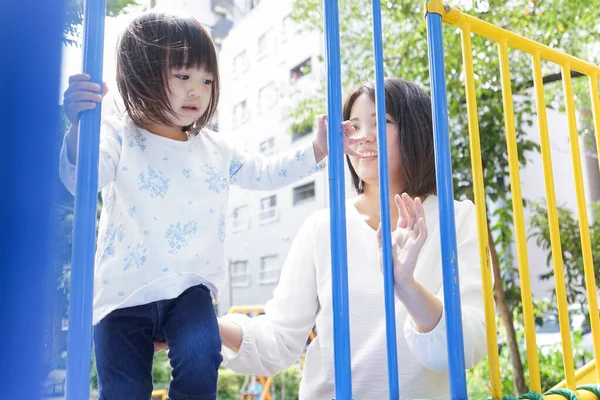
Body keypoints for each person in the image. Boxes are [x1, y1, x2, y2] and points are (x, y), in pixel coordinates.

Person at [59, 11, 360, 400]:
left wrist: (317, 149)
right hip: (123, 294)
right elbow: (82, 181)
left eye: (207, 80)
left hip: (189, 289)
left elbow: (264, 172)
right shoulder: (120, 136)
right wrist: (78, 128)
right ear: (145, 73)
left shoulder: (215, 148)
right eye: (183, 77)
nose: (197, 92)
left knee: (203, 357)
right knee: (124, 389)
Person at [216, 78, 488, 399]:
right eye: (353, 126)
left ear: (418, 130)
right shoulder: (324, 226)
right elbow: (280, 339)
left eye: (380, 122)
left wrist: (407, 287)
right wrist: (204, 325)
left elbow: (468, 345)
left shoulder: (456, 218)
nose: (362, 137)